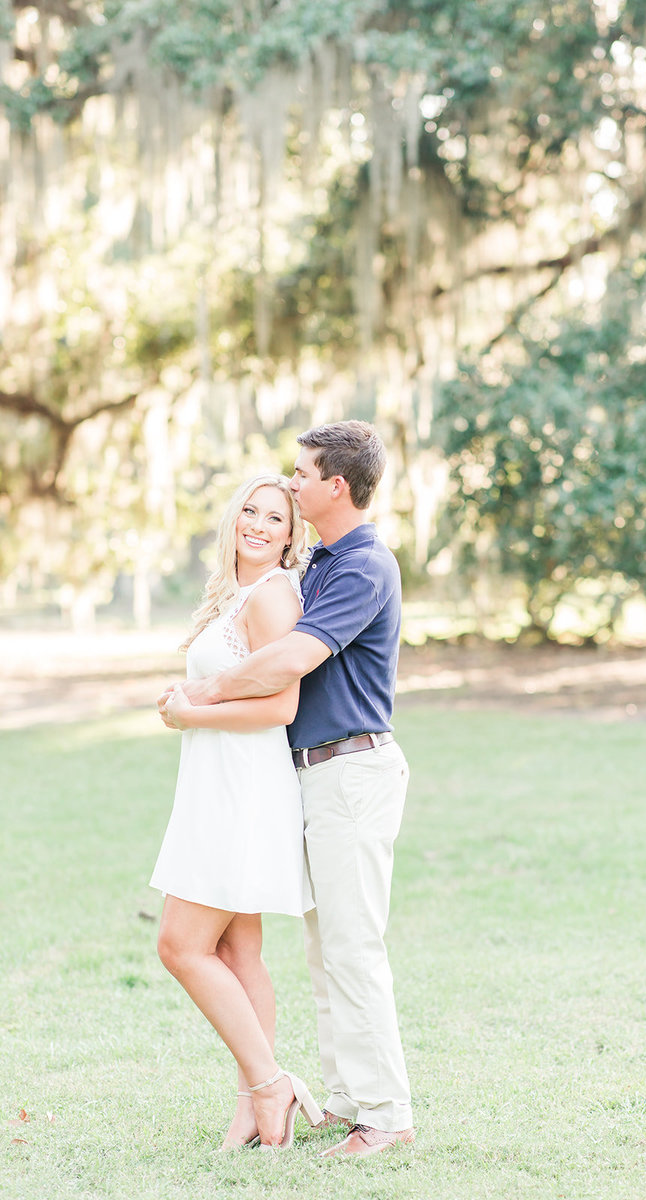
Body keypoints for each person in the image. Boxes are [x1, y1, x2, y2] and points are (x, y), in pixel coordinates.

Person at [160, 420, 415, 1159]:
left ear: (336, 485)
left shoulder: (366, 564)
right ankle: (343, 1099)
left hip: (352, 769)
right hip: (309, 775)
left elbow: (288, 664)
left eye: (301, 477)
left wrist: (201, 693)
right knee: (323, 947)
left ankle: (388, 1117)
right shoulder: (326, 562)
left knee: (352, 947)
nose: (292, 485)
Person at [151, 472, 323, 1151]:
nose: (257, 524)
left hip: (242, 790)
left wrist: (192, 709)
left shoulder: (273, 598)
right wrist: (191, 701)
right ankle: (256, 1109)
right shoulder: (243, 595)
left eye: (274, 518)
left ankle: (270, 1085)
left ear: (289, 537)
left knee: (179, 945)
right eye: (249, 511)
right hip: (217, 781)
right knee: (236, 947)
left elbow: (282, 706)